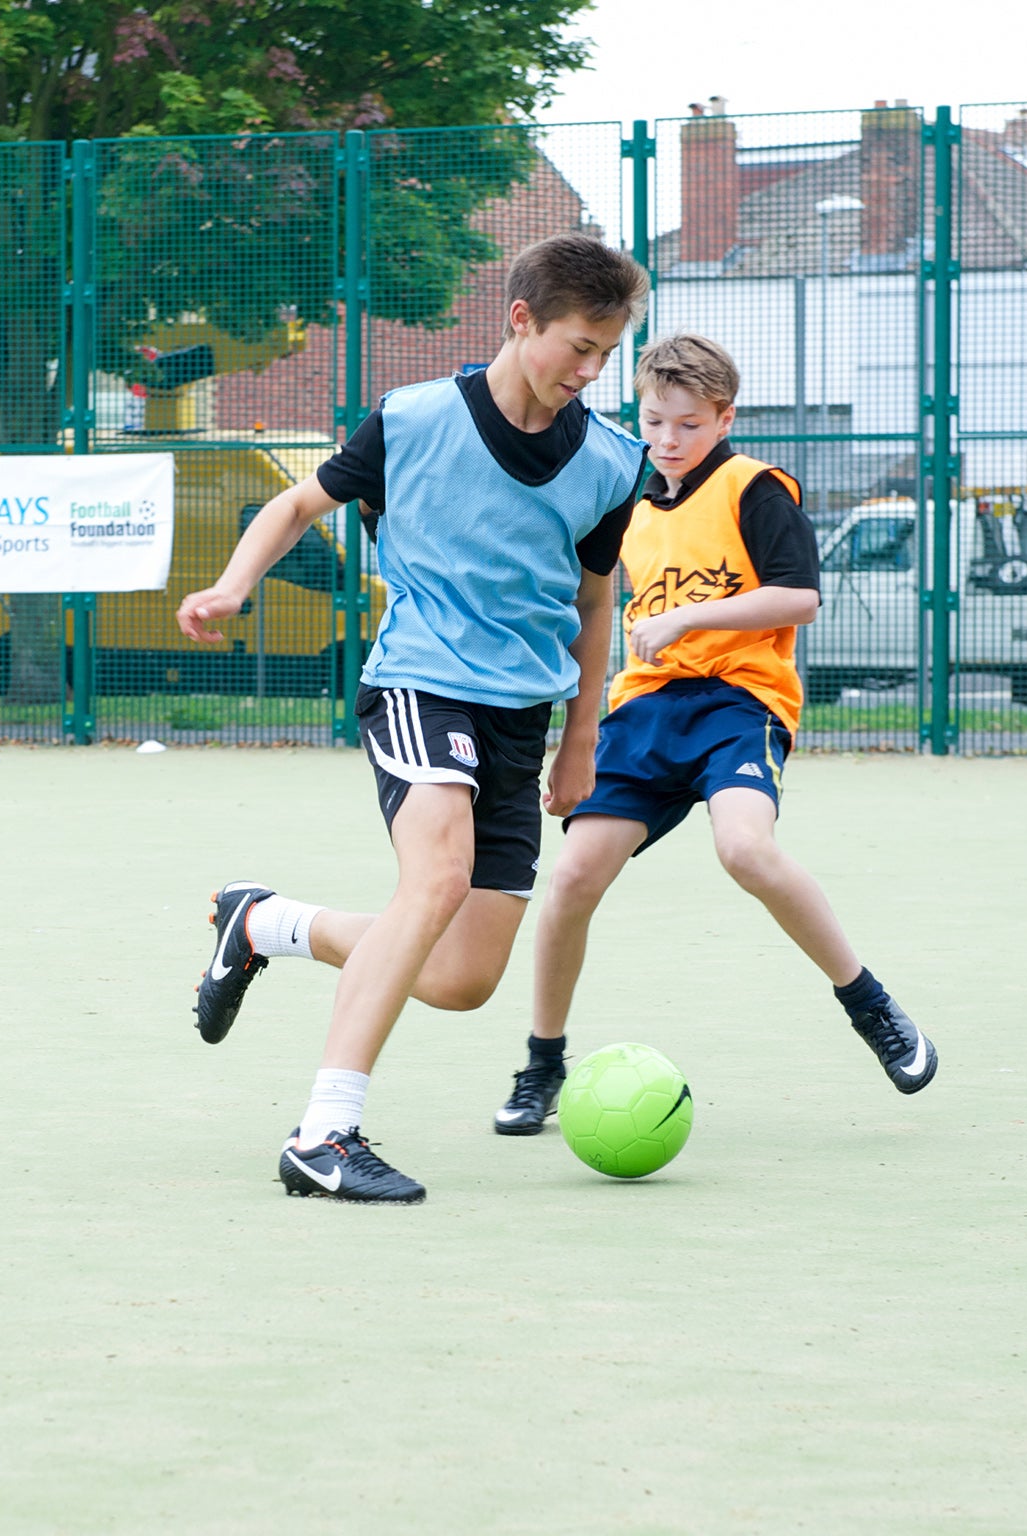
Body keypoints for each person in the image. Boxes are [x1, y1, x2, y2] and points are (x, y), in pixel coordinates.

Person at [178, 233, 651, 1204]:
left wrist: (580, 739)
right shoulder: (414, 419)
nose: (589, 370)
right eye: (576, 345)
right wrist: (230, 588)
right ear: (520, 322)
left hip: (523, 716)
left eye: (605, 353)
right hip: (419, 686)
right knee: (430, 882)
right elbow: (294, 507)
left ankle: (264, 923)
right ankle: (324, 1135)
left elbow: (595, 603)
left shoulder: (609, 463)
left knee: (459, 978)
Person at [489, 333, 935, 1133]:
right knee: (572, 880)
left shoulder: (753, 489)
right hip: (645, 709)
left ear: (724, 418)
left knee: (745, 850)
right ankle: (542, 1063)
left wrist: (691, 616)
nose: (668, 440)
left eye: (689, 425)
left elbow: (799, 599)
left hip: (738, 701)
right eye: (655, 422)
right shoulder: (622, 496)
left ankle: (871, 1006)